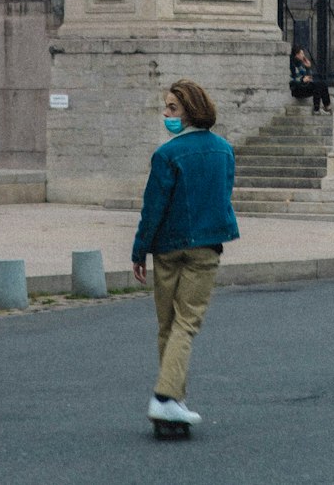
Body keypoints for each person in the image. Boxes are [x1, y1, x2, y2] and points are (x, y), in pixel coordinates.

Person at [131, 79, 240, 428]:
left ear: (191, 111)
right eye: (166, 107)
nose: (166, 114)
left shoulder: (166, 154)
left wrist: (139, 250)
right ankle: (166, 398)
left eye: (172, 108)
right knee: (186, 323)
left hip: (167, 247)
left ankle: (171, 401)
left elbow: (153, 209)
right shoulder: (224, 150)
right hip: (205, 246)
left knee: (168, 325)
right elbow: (224, 196)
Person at [290, 44, 331, 114]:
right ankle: (316, 109)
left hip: (304, 86)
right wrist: (301, 80)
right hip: (296, 89)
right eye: (301, 53)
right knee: (317, 85)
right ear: (296, 55)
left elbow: (309, 76)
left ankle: (326, 105)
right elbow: (291, 80)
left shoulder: (300, 64)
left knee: (322, 84)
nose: (303, 55)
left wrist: (308, 67)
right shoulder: (292, 65)